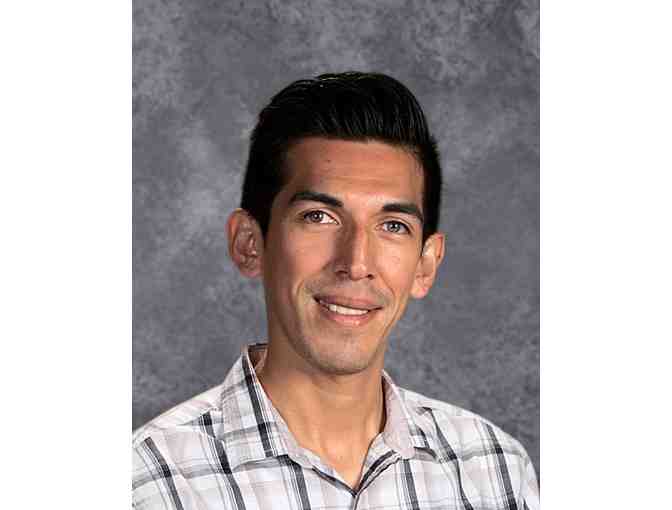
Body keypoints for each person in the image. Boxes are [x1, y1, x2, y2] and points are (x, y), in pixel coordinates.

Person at [132, 72, 539, 509]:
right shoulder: (147, 483)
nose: (356, 263)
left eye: (393, 226)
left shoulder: (494, 471)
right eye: (319, 217)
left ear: (425, 264)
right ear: (250, 243)